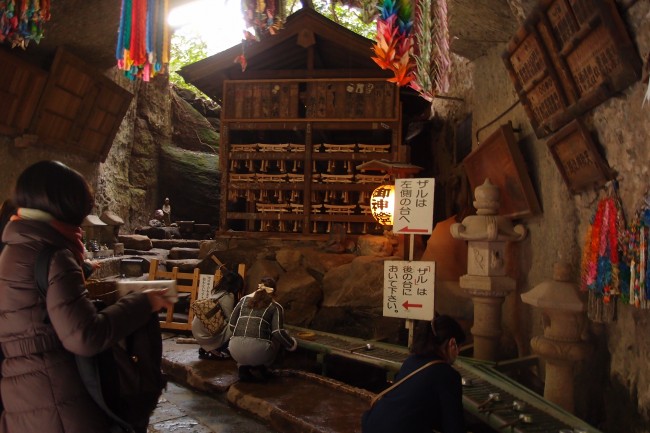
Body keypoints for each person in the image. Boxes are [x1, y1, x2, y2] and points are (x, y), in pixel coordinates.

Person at [0, 160, 173, 433]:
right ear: (67, 204)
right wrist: (144, 301)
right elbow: (84, 336)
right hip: (59, 398)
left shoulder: (14, 250)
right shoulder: (55, 255)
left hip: (23, 395)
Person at [361, 315, 467, 433]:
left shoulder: (411, 361)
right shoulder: (447, 374)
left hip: (373, 424)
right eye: (459, 348)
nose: (457, 354)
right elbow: (454, 427)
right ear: (452, 343)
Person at [228, 277, 297, 382]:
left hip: (234, 350)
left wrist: (244, 336)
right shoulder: (275, 306)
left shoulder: (243, 300)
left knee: (246, 341)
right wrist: (292, 344)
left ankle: (243, 367)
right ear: (274, 291)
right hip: (258, 351)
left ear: (257, 287)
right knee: (279, 335)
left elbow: (232, 326)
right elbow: (277, 332)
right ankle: (264, 367)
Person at [192, 265, 244, 360]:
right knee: (236, 325)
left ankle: (206, 348)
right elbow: (230, 319)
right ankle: (216, 349)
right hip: (206, 335)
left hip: (197, 329)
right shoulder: (229, 295)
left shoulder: (216, 292)